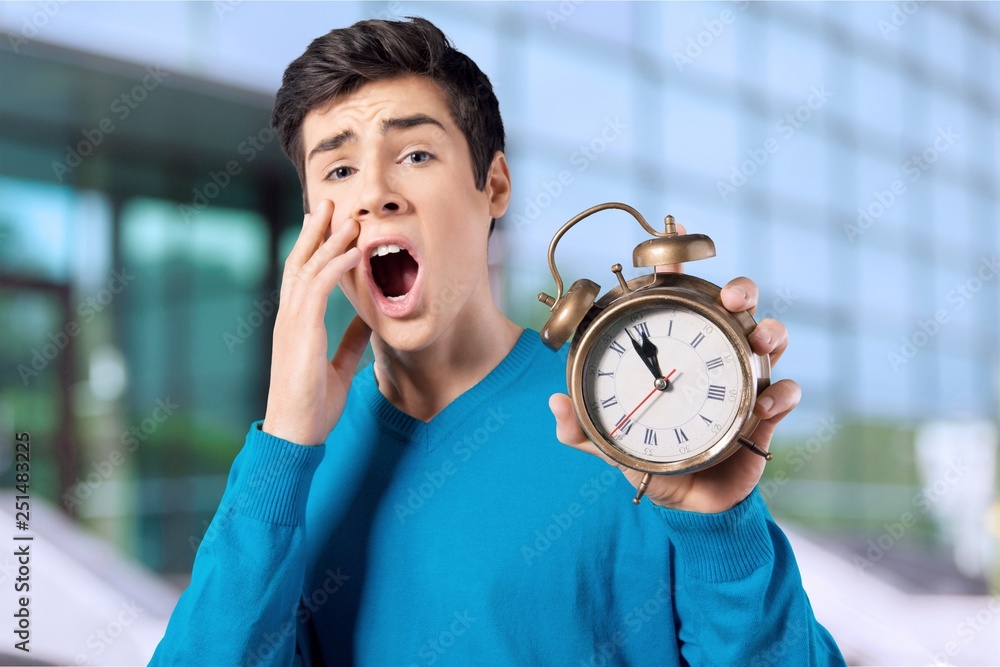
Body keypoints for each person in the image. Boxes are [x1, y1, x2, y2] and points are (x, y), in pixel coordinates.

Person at [150, 16, 845, 667]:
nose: (374, 194)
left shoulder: (631, 429)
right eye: (338, 171)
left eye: (415, 153)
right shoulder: (292, 465)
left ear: (495, 184)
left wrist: (722, 528)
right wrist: (283, 444)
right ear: (312, 222)